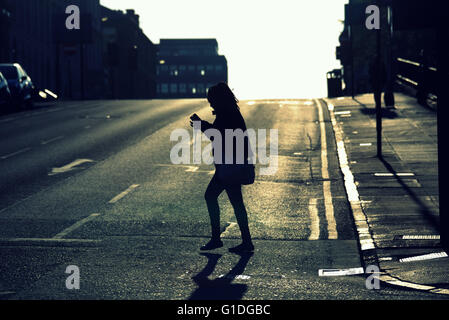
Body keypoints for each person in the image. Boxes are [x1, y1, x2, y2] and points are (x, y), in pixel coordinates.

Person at [189, 83, 254, 253]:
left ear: (219, 99)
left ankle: (218, 239)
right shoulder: (230, 112)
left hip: (229, 165)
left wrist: (200, 125)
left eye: (211, 100)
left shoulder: (227, 114)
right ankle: (245, 241)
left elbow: (217, 136)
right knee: (236, 203)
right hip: (231, 163)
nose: (210, 104)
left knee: (211, 196)